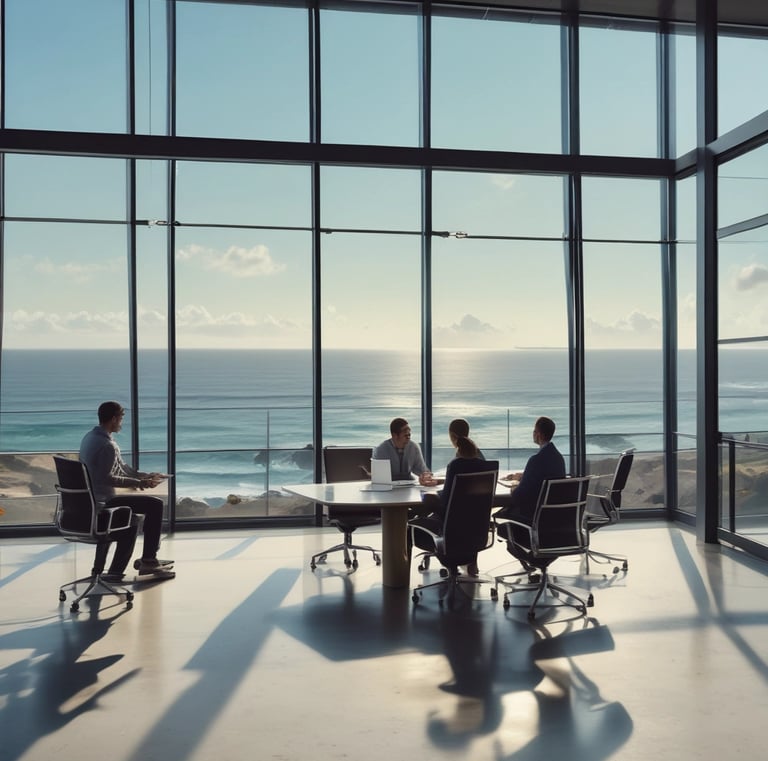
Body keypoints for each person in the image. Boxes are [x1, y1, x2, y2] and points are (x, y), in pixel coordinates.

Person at [79, 401, 175, 581]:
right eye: (121, 418)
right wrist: (141, 484)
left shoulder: (92, 437)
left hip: (91, 502)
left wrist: (144, 476)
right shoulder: (107, 445)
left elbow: (120, 467)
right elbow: (108, 477)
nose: (122, 423)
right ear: (114, 419)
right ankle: (148, 560)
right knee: (155, 505)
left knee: (134, 516)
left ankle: (105, 570)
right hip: (104, 502)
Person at [411, 435, 489, 575]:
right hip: (476, 538)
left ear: (458, 453)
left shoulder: (455, 466)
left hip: (449, 537)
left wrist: (427, 497)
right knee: (469, 518)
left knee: (409, 528)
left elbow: (445, 502)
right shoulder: (485, 470)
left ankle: (399, 581)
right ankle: (471, 566)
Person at [495, 415, 566, 523]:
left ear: (539, 435)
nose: (533, 433)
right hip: (552, 516)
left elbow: (520, 496)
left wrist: (514, 489)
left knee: (501, 512)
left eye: (534, 431)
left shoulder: (536, 460)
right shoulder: (559, 458)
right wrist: (523, 476)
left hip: (533, 515)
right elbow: (543, 476)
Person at [372, 417, 437, 486]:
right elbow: (378, 478)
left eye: (409, 435)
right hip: (387, 487)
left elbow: (423, 470)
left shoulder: (413, 447)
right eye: (406, 435)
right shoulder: (380, 450)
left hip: (409, 486)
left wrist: (426, 476)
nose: (409, 438)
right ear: (394, 435)